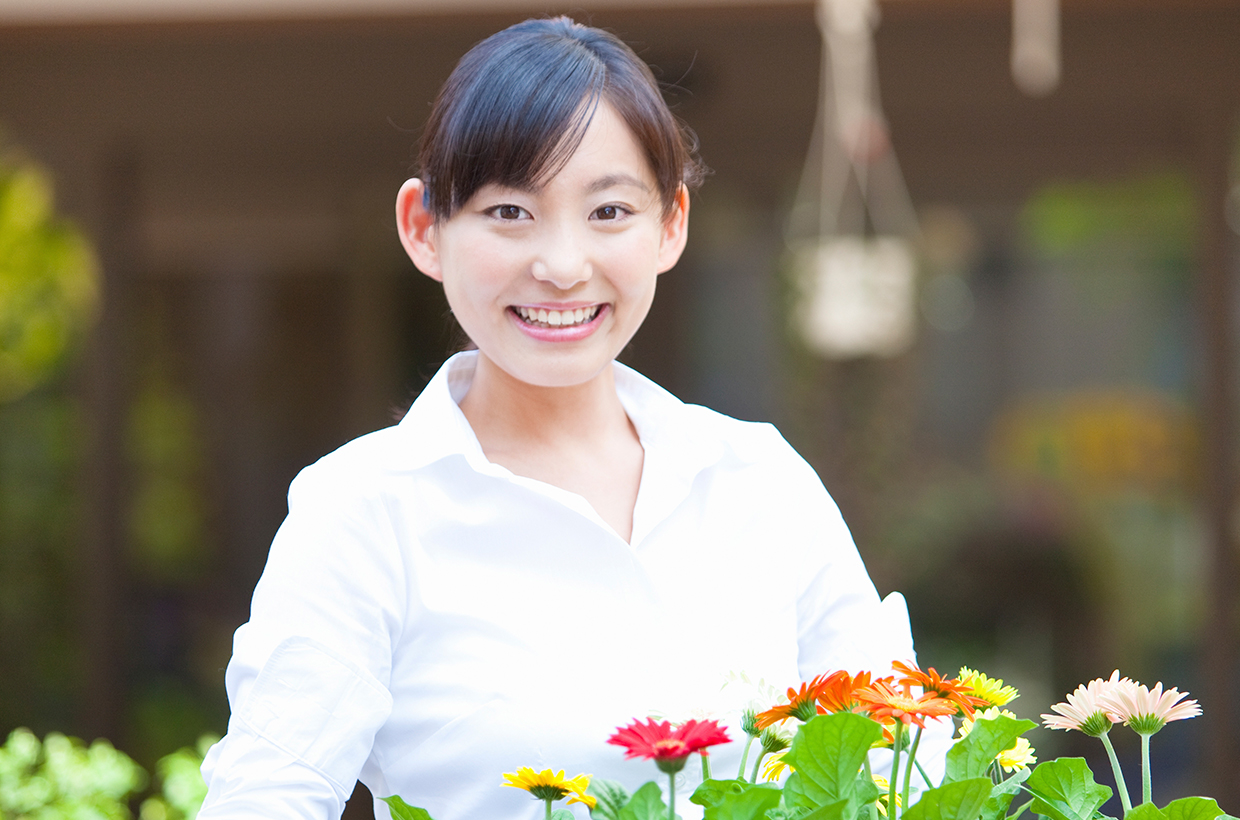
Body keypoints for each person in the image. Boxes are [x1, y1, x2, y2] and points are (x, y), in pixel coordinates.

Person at [198, 16, 948, 820]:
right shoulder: (366, 509)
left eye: (609, 212)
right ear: (423, 228)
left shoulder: (759, 483)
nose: (561, 266)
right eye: (510, 213)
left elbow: (902, 767)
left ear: (671, 224)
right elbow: (268, 797)